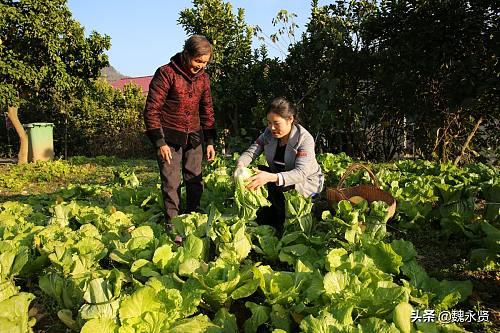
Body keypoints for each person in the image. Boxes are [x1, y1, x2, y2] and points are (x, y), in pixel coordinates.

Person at [144, 35, 216, 227]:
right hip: (169, 138)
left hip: (194, 137)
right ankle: (173, 225)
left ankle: (192, 219)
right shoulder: (166, 73)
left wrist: (209, 141)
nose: (200, 66)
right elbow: (152, 110)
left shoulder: (203, 78)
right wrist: (160, 142)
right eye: (197, 61)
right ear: (186, 54)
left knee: (195, 181)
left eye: (204, 63)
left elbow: (207, 109)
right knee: (171, 183)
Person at [236, 97, 324, 229]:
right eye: (269, 123)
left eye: (276, 123)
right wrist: (240, 167)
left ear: (290, 119)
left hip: (304, 184)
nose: (272, 128)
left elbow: (301, 173)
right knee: (256, 171)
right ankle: (268, 218)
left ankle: (283, 217)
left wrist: (269, 177)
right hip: (279, 179)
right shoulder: (268, 134)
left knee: (288, 222)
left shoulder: (304, 139)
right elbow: (251, 152)